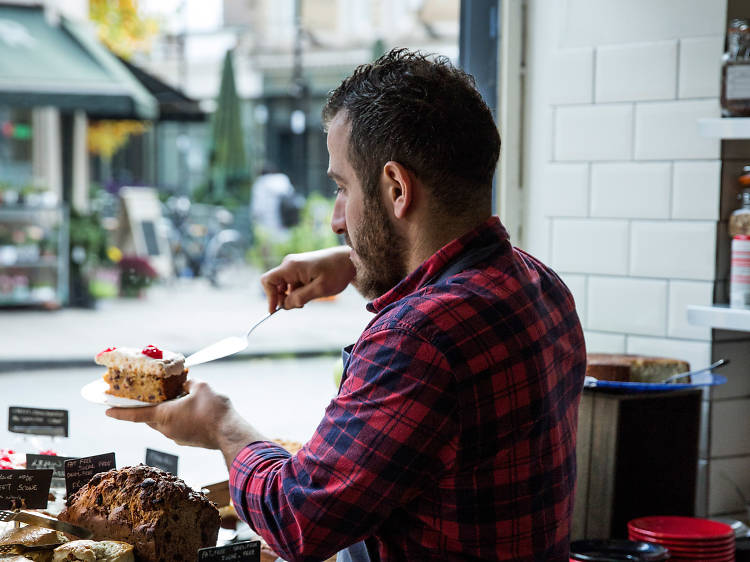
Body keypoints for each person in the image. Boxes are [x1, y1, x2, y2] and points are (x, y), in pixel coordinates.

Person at [108, 49, 586, 561]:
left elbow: (300, 520)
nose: (338, 218)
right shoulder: (539, 284)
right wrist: (357, 261)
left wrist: (221, 424)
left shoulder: (417, 340)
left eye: (342, 188)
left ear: (397, 188)